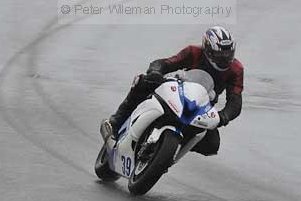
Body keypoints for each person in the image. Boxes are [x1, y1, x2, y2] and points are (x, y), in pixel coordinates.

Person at [100, 26, 244, 156]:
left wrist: (223, 116)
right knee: (144, 81)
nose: (225, 59)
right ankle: (116, 121)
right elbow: (166, 63)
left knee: (212, 145)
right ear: (207, 49)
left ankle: (170, 152)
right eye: (220, 55)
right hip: (179, 89)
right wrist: (156, 72)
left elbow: (235, 100)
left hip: (202, 104)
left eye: (228, 54)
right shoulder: (194, 52)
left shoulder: (236, 69)